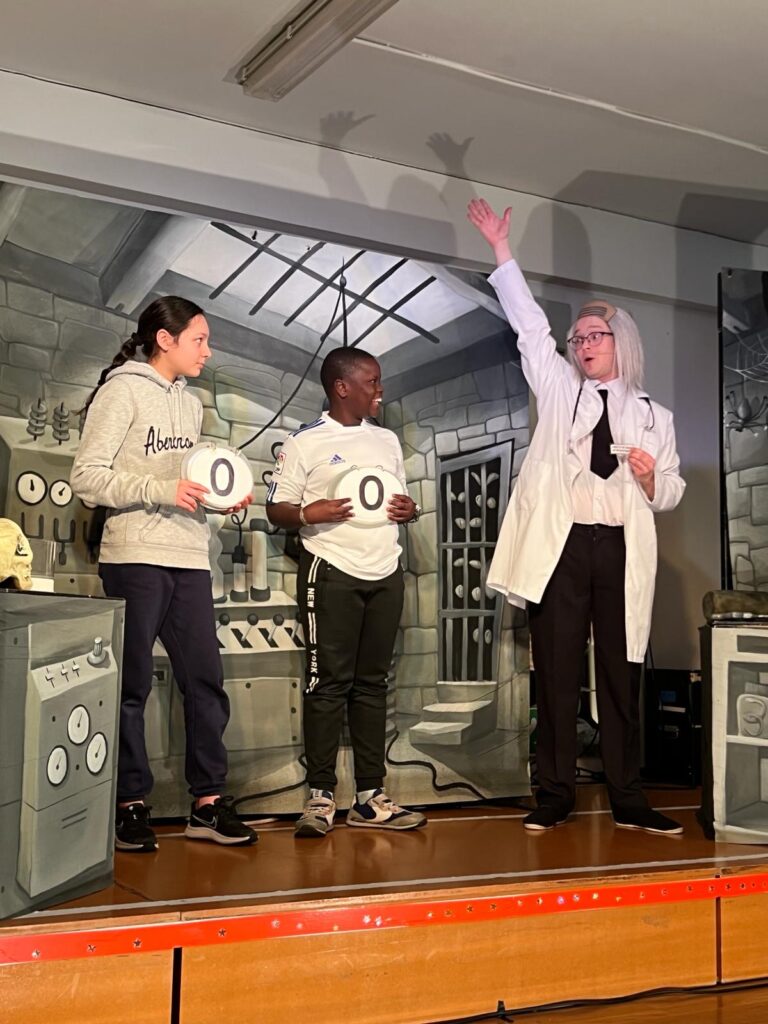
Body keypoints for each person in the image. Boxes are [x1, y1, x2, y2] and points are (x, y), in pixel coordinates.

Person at [467, 199, 686, 835]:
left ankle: (628, 797)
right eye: (579, 338)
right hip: (562, 547)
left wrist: (650, 477)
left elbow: (671, 491)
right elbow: (530, 328)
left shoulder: (656, 416)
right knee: (557, 672)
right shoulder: (560, 388)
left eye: (596, 336)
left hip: (619, 549)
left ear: (622, 344)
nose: (584, 345)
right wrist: (501, 250)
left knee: (621, 673)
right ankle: (555, 793)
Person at [71, 297, 256, 852]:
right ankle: (129, 805)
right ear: (164, 340)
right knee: (130, 686)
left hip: (188, 556)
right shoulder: (122, 390)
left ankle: (207, 803)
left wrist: (221, 499)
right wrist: (159, 489)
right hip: (134, 555)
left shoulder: (191, 404)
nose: (207, 351)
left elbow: (186, 484)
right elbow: (87, 478)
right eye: (199, 339)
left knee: (204, 680)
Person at [266, 347, 427, 837]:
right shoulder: (305, 443)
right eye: (372, 381)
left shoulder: (386, 440)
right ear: (342, 388)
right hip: (331, 570)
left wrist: (409, 510)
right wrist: (308, 513)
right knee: (327, 683)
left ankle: (369, 797)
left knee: (372, 683)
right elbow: (276, 508)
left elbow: (394, 498)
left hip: (385, 570)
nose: (380, 390)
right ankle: (320, 796)